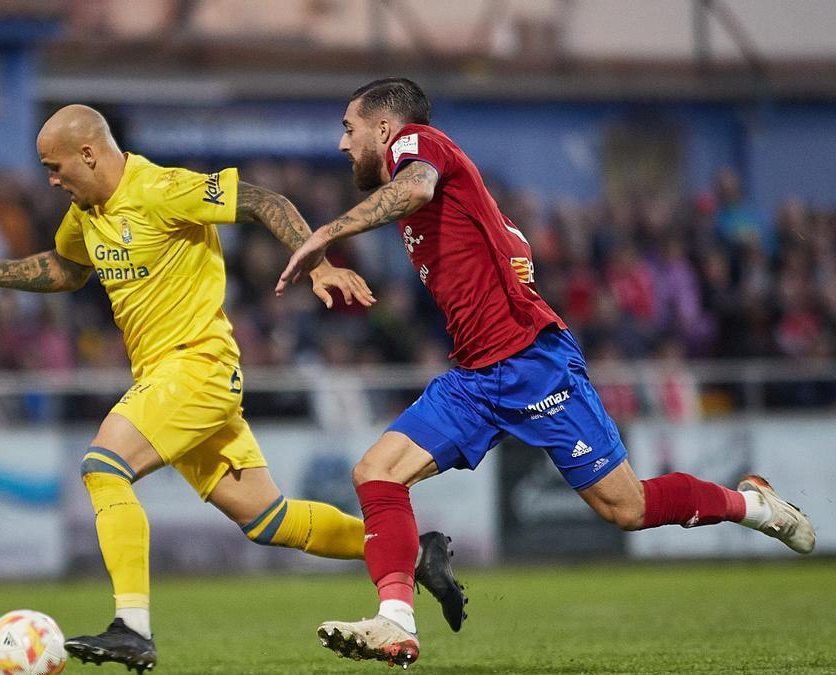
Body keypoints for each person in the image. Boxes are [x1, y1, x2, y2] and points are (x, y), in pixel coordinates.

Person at [277, 78, 816, 669]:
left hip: (532, 364)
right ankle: (396, 623)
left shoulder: (416, 144)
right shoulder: (452, 185)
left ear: (383, 128)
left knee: (626, 509)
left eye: (348, 129)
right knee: (375, 471)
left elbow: (416, 185)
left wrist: (327, 233)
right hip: (476, 377)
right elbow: (511, 243)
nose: (341, 144)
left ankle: (753, 505)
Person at [0, 104, 466, 673]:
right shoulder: (84, 214)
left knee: (102, 467)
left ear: (89, 153)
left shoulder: (162, 189)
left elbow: (266, 201)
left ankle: (131, 628)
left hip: (195, 368)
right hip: (169, 380)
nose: (51, 180)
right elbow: (69, 268)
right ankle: (412, 552)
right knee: (269, 520)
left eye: (55, 167)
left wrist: (317, 265)